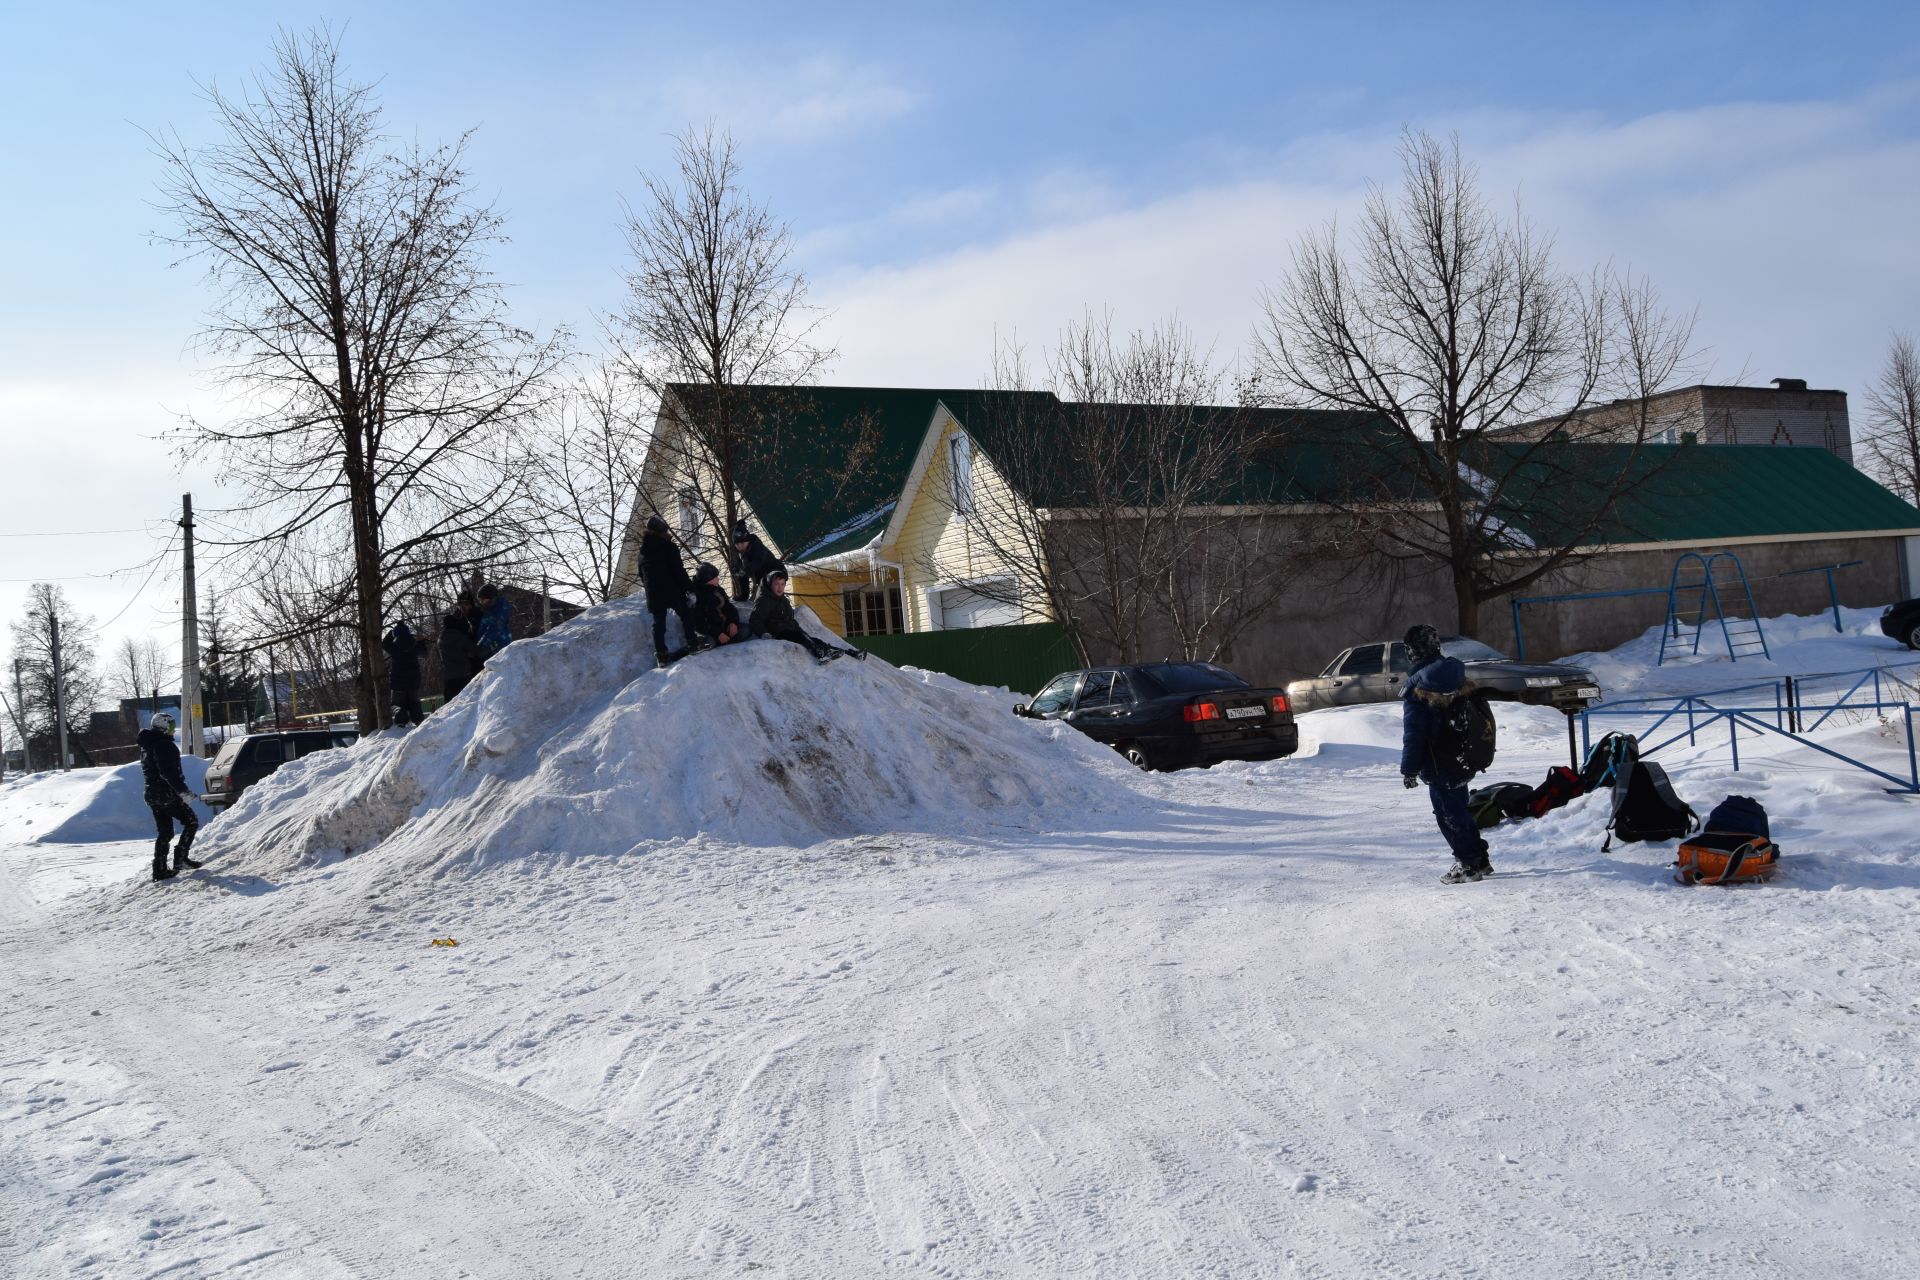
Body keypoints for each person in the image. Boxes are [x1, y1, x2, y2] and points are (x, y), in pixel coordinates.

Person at [1400, 623, 1493, 883]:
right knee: (1460, 811)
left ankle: (1468, 864)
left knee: (1448, 815)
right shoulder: (1454, 673)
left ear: (1412, 651)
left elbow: (1414, 734)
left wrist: (1408, 769)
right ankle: (1479, 859)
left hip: (1438, 761)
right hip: (1463, 755)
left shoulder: (1418, 685)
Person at [748, 570, 866, 664]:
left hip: (791, 630)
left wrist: (799, 629)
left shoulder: (783, 600)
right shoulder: (764, 600)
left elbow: (790, 618)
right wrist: (764, 633)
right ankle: (821, 655)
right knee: (802, 637)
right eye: (776, 584)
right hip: (778, 633)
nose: (780, 587)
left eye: (782, 584)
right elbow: (754, 619)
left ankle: (851, 653)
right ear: (770, 584)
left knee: (815, 640)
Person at [139, 710, 201, 882]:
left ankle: (159, 869)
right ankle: (180, 859)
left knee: (165, 831)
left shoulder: (147, 745)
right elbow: (168, 773)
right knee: (191, 821)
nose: (174, 730)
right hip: (165, 793)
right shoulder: (163, 745)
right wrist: (183, 792)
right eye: (171, 726)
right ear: (163, 727)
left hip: (152, 794)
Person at [638, 515, 695, 665]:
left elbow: (641, 575)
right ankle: (693, 643)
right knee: (686, 613)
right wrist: (689, 588)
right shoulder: (669, 547)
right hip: (671, 589)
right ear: (662, 531)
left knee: (658, 623)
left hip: (654, 592)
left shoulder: (642, 553)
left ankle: (661, 655)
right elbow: (678, 571)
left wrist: (650, 588)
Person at [438, 590, 480, 704]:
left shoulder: (440, 639)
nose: (463, 607)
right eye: (461, 604)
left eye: (466, 604)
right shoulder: (458, 629)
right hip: (464, 671)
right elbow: (472, 647)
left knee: (452, 704)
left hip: (451, 674)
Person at [687, 563, 742, 649]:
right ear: (707, 581)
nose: (718, 579)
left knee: (746, 629)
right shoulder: (695, 596)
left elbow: (730, 608)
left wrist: (733, 623)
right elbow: (699, 621)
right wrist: (718, 633)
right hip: (709, 632)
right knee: (710, 643)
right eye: (715, 578)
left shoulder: (718, 590)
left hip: (724, 626)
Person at [382, 620, 424, 727]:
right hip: (414, 681)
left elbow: (384, 643)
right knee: (414, 703)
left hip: (398, 682)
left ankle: (401, 723)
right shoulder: (414, 644)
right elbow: (424, 653)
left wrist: (391, 632)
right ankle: (419, 723)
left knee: (397, 704)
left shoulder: (394, 647)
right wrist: (421, 641)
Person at [731, 520, 784, 600]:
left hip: (775, 572)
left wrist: (745, 570)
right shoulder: (741, 553)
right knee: (741, 573)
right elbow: (742, 571)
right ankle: (744, 595)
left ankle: (781, 607)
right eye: (737, 544)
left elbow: (757, 563)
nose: (740, 546)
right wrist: (737, 570)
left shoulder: (757, 547)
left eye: (742, 543)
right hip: (762, 577)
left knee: (771, 595)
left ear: (748, 541)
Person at [475, 583, 514, 663]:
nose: (481, 602)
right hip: (491, 648)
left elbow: (494, 629)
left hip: (499, 650)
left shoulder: (501, 609)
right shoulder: (489, 609)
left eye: (483, 600)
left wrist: (481, 645)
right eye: (480, 600)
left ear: (492, 598)